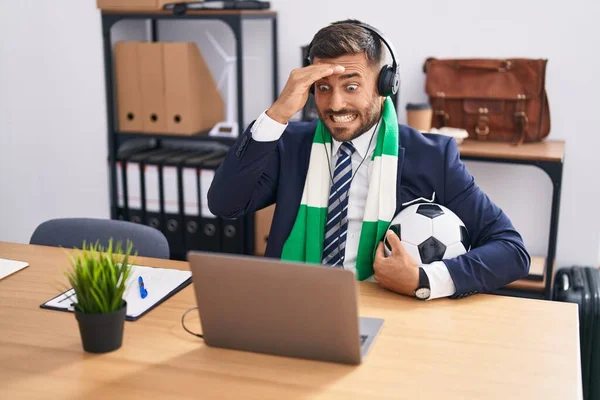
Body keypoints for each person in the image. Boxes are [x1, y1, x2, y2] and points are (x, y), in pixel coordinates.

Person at [207, 19, 530, 300]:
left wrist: (423, 280)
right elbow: (225, 204)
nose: (335, 104)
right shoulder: (289, 144)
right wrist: (277, 114)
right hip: (292, 303)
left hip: (389, 311)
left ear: (385, 84)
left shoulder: (432, 156)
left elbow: (511, 250)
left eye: (351, 86)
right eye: (323, 88)